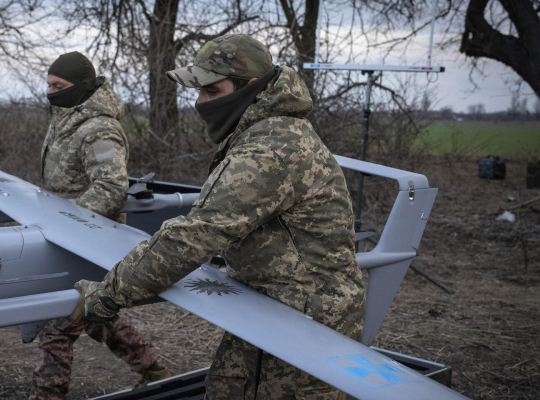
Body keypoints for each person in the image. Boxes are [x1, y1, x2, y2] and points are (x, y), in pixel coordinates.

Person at [69, 34, 366, 399]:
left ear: (250, 88)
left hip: (307, 321)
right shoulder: (265, 132)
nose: (199, 103)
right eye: (199, 92)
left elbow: (195, 235)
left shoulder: (270, 149)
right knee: (225, 389)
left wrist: (108, 294)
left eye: (212, 92)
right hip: (269, 306)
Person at [30, 51, 171, 400]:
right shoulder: (65, 118)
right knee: (94, 315)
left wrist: (67, 221)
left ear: (80, 87)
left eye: (58, 85)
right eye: (48, 84)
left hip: (87, 238)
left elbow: (110, 189)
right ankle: (155, 370)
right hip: (62, 237)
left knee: (58, 322)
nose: (50, 91)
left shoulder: (99, 129)